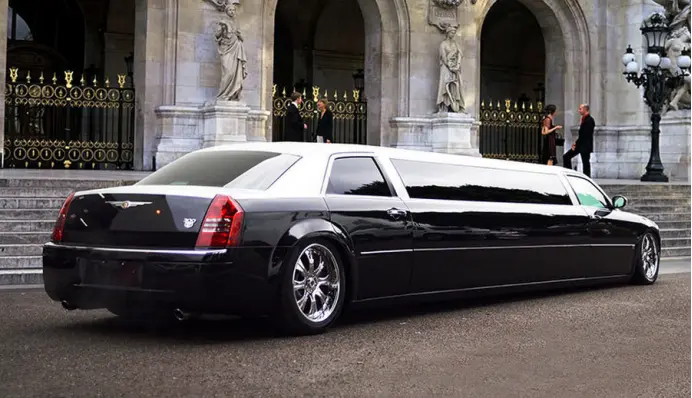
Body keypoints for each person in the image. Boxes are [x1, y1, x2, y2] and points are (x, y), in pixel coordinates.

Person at [563, 104, 595, 177]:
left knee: (585, 162)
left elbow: (585, 135)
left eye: (580, 109)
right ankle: (569, 174)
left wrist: (576, 144)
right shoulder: (584, 119)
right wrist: (576, 143)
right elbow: (582, 135)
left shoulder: (589, 120)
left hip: (585, 145)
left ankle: (587, 177)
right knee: (566, 156)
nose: (579, 110)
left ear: (585, 109)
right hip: (581, 144)